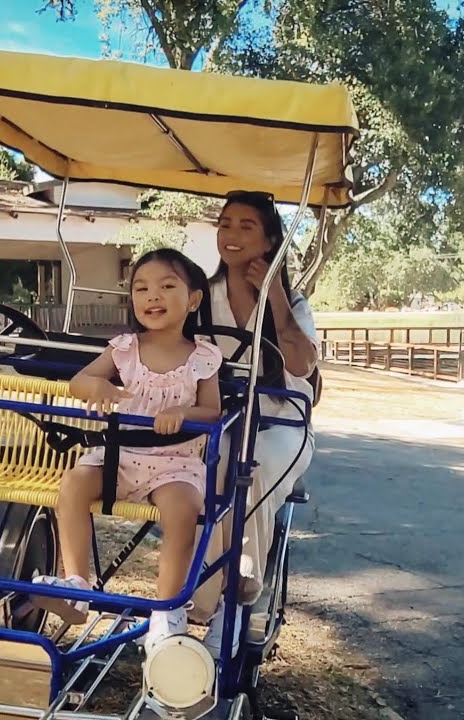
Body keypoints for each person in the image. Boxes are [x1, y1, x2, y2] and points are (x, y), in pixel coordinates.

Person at [33, 248, 223, 654]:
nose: (152, 296)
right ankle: (76, 585)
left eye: (167, 286)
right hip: (119, 456)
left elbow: (213, 411)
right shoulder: (124, 348)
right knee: (74, 484)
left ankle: (167, 609)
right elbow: (78, 382)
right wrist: (97, 386)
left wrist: (183, 412)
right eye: (141, 288)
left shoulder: (203, 357)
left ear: (193, 300)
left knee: (183, 511)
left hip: (174, 463)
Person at [195, 189, 319, 656]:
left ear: (269, 241)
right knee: (208, 467)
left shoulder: (293, 303)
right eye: (225, 224)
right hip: (222, 419)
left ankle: (240, 595)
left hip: (281, 422)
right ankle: (201, 599)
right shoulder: (200, 298)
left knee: (254, 469)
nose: (232, 234)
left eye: (246, 226)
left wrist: (276, 298)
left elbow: (302, 365)